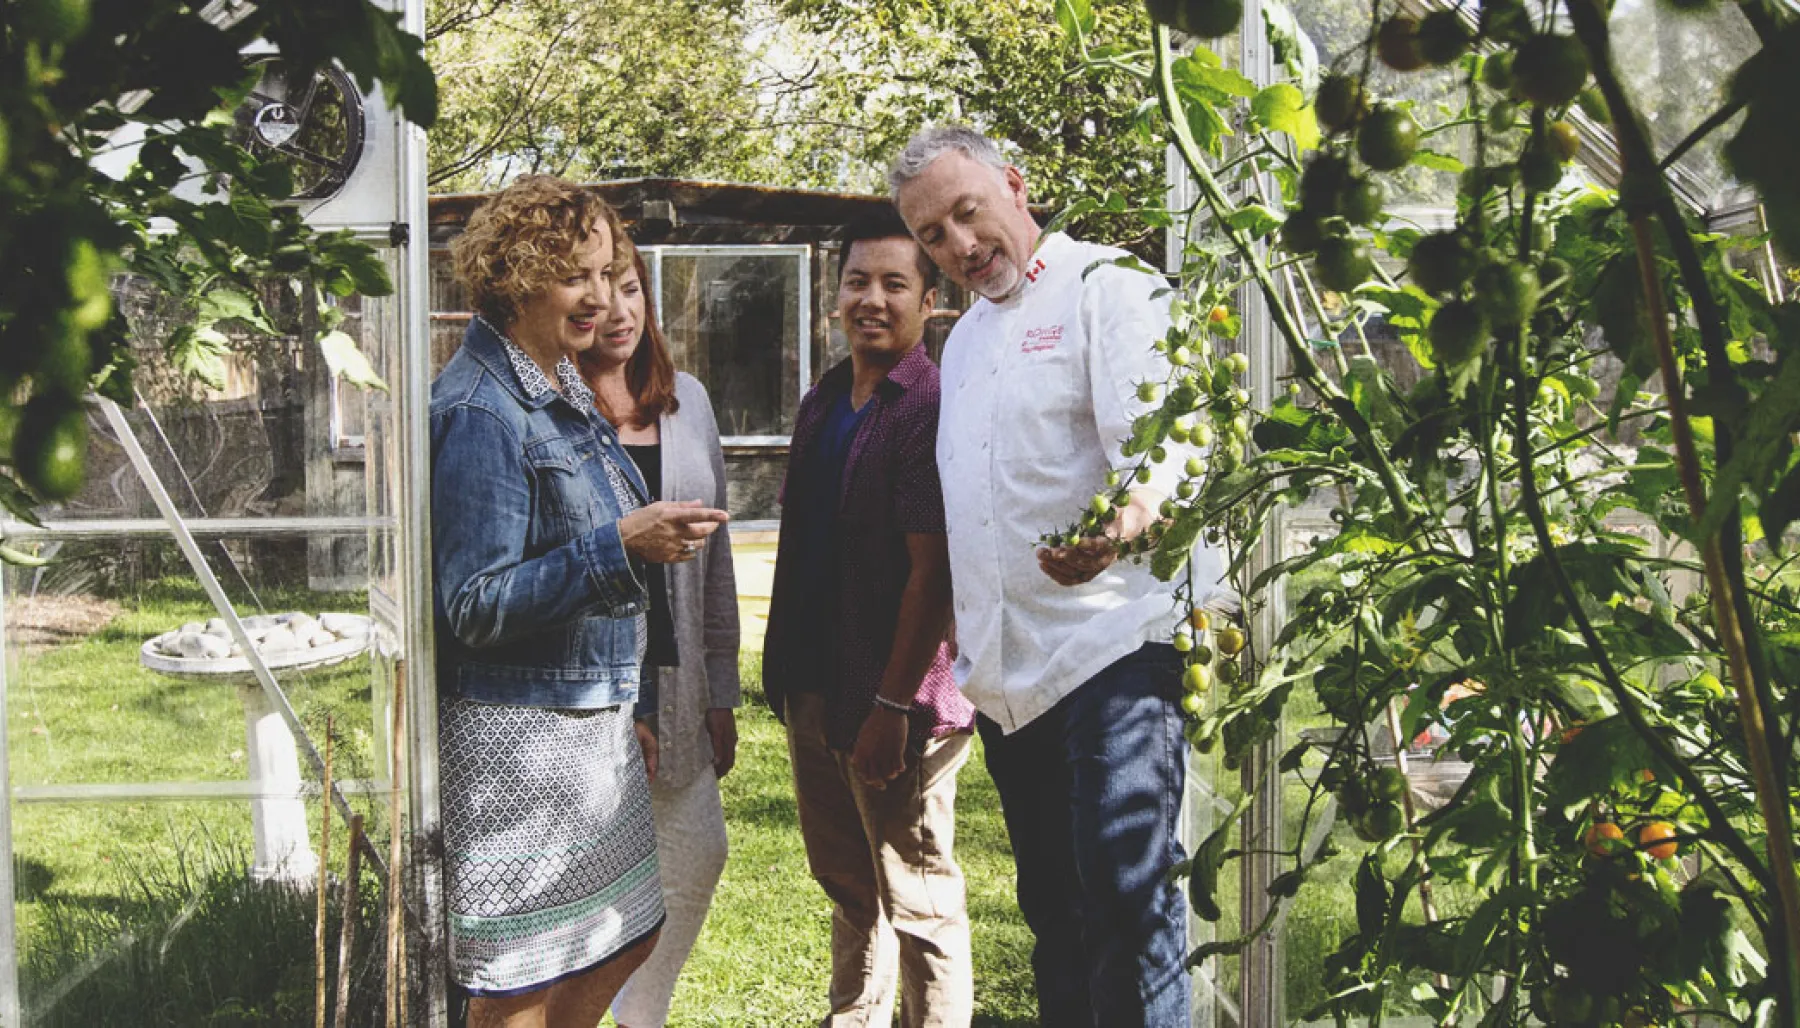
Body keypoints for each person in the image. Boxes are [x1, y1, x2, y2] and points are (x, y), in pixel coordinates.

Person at [891, 126, 1230, 1028]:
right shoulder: (961, 344)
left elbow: (1171, 455)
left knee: (1126, 899)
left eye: (970, 213)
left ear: (1015, 185)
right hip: (1012, 681)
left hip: (1114, 648)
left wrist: (1117, 528)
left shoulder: (1107, 287)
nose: (960, 246)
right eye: (933, 235)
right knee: (1057, 918)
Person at [432, 175, 729, 1028]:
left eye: (610, 274)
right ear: (516, 275)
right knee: (520, 981)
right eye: (578, 277)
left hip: (586, 722)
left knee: (626, 934)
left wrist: (623, 699)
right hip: (519, 740)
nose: (602, 298)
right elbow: (475, 606)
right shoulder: (483, 410)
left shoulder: (558, 385)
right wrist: (622, 545)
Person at [761, 208, 976, 1028]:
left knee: (918, 900)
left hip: (900, 701)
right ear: (835, 294)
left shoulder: (925, 407)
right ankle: (852, 1017)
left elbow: (933, 573)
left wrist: (893, 710)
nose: (872, 299)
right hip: (816, 687)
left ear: (930, 301)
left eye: (895, 283)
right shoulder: (824, 398)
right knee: (849, 885)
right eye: (858, 282)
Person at [579, 248, 743, 1028]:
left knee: (696, 852)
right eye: (598, 290)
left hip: (678, 684)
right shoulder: (553, 407)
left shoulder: (688, 402)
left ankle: (641, 1011)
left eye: (632, 288)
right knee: (594, 870)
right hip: (587, 690)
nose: (618, 310)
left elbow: (714, 564)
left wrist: (720, 690)